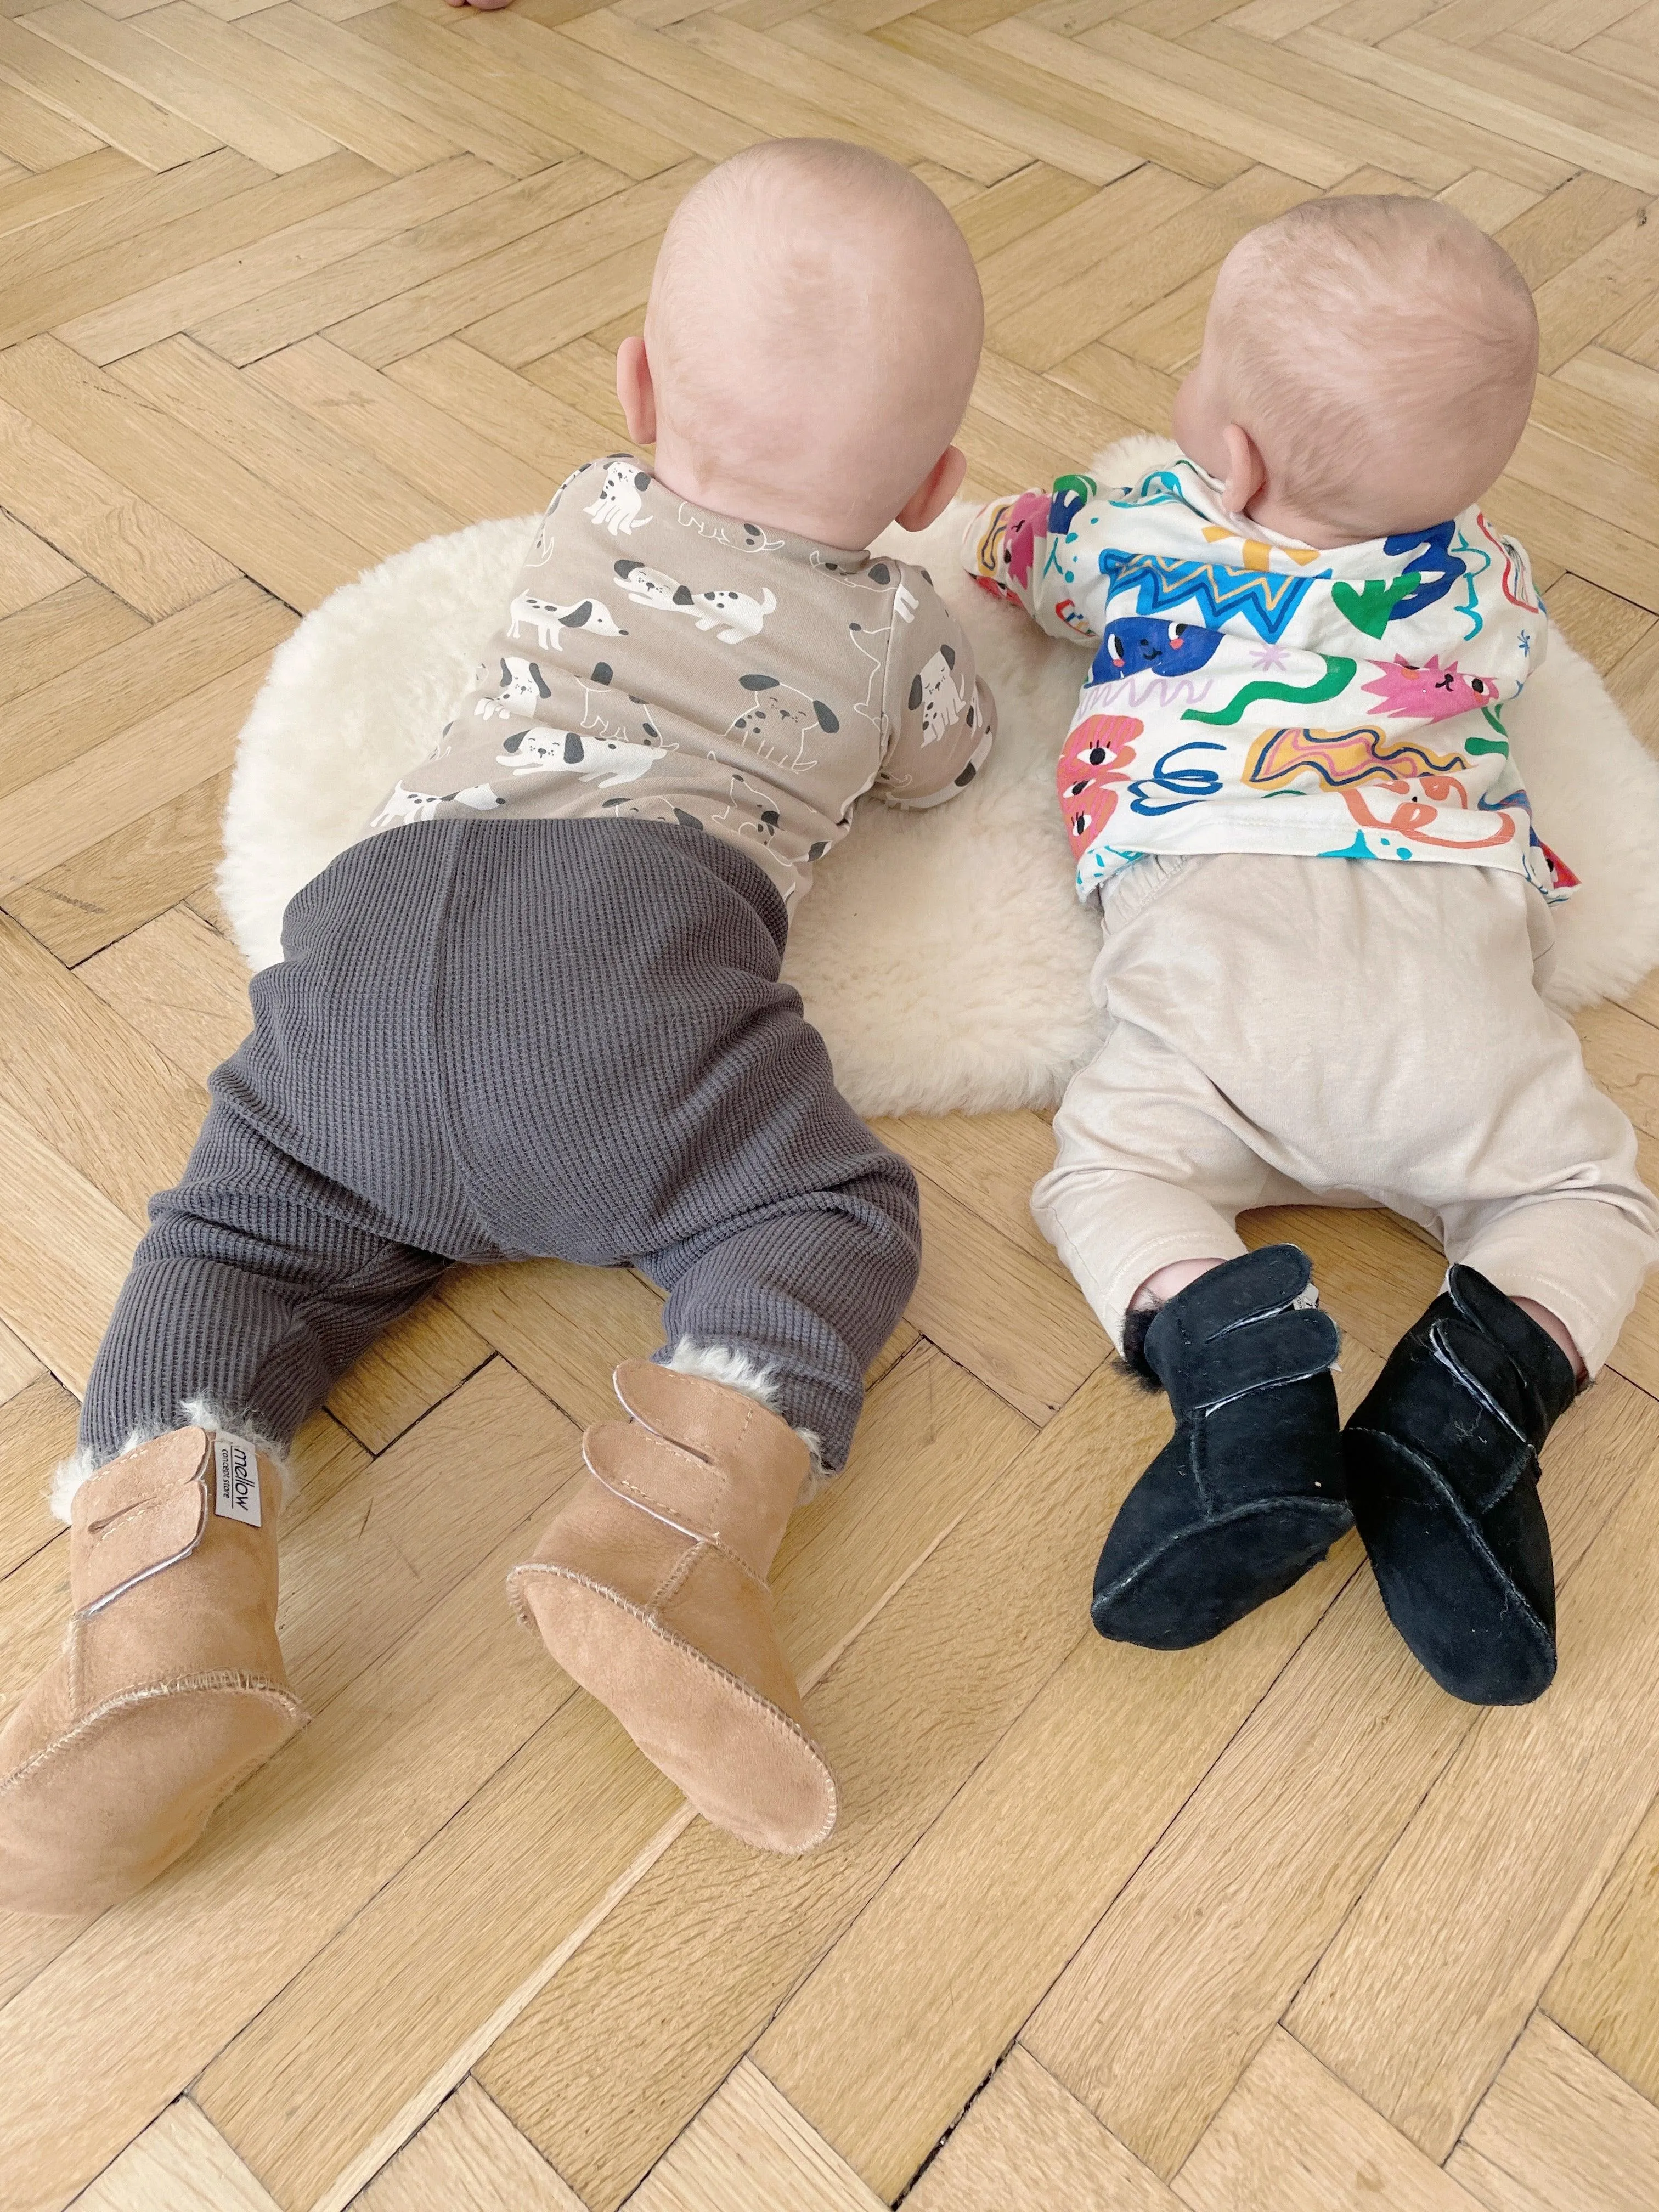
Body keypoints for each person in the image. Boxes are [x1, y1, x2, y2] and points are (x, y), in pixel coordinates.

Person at [0, 140, 994, 1913]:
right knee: (823, 1210)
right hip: (635, 961)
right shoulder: (895, 617)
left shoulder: (585, 510)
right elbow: (951, 765)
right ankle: (671, 1535)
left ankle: (158, 1610)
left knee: (234, 1235)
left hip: (374, 933)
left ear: (632, 389)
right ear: (929, 481)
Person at [967, 195, 1658, 1709]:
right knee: (1585, 1198)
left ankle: (1240, 1371)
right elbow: (1517, 657)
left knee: (1112, 1175)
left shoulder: (1141, 530)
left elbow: (1024, 556)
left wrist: (1029, 541)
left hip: (1218, 956)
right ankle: (1467, 1407)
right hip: (1448, 965)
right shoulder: (1485, 582)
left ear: (1241, 455)